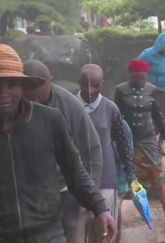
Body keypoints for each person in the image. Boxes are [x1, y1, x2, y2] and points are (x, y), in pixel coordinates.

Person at [0, 43, 117, 243]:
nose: (4, 93)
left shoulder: (49, 119)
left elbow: (74, 169)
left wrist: (99, 207)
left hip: (48, 233)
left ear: (23, 86)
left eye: (11, 85)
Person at [22, 60, 104, 243]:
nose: (35, 102)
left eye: (39, 96)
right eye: (30, 97)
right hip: (31, 188)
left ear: (51, 80)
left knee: (71, 230)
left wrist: (92, 194)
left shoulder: (70, 106)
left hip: (66, 185)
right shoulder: (14, 107)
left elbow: (92, 148)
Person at [114, 59, 165, 233]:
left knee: (159, 178)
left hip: (149, 140)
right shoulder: (120, 90)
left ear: (146, 75)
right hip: (129, 141)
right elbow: (116, 118)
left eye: (142, 77)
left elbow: (157, 116)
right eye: (136, 77)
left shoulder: (152, 90)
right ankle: (136, 220)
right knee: (131, 180)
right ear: (131, 76)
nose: (139, 80)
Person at [77, 64, 137, 242]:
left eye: (96, 85)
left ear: (102, 83)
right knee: (77, 233)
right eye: (86, 85)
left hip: (105, 179)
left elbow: (123, 143)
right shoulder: (70, 106)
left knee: (103, 233)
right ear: (79, 82)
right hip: (76, 181)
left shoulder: (111, 109)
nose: (90, 90)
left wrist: (130, 174)